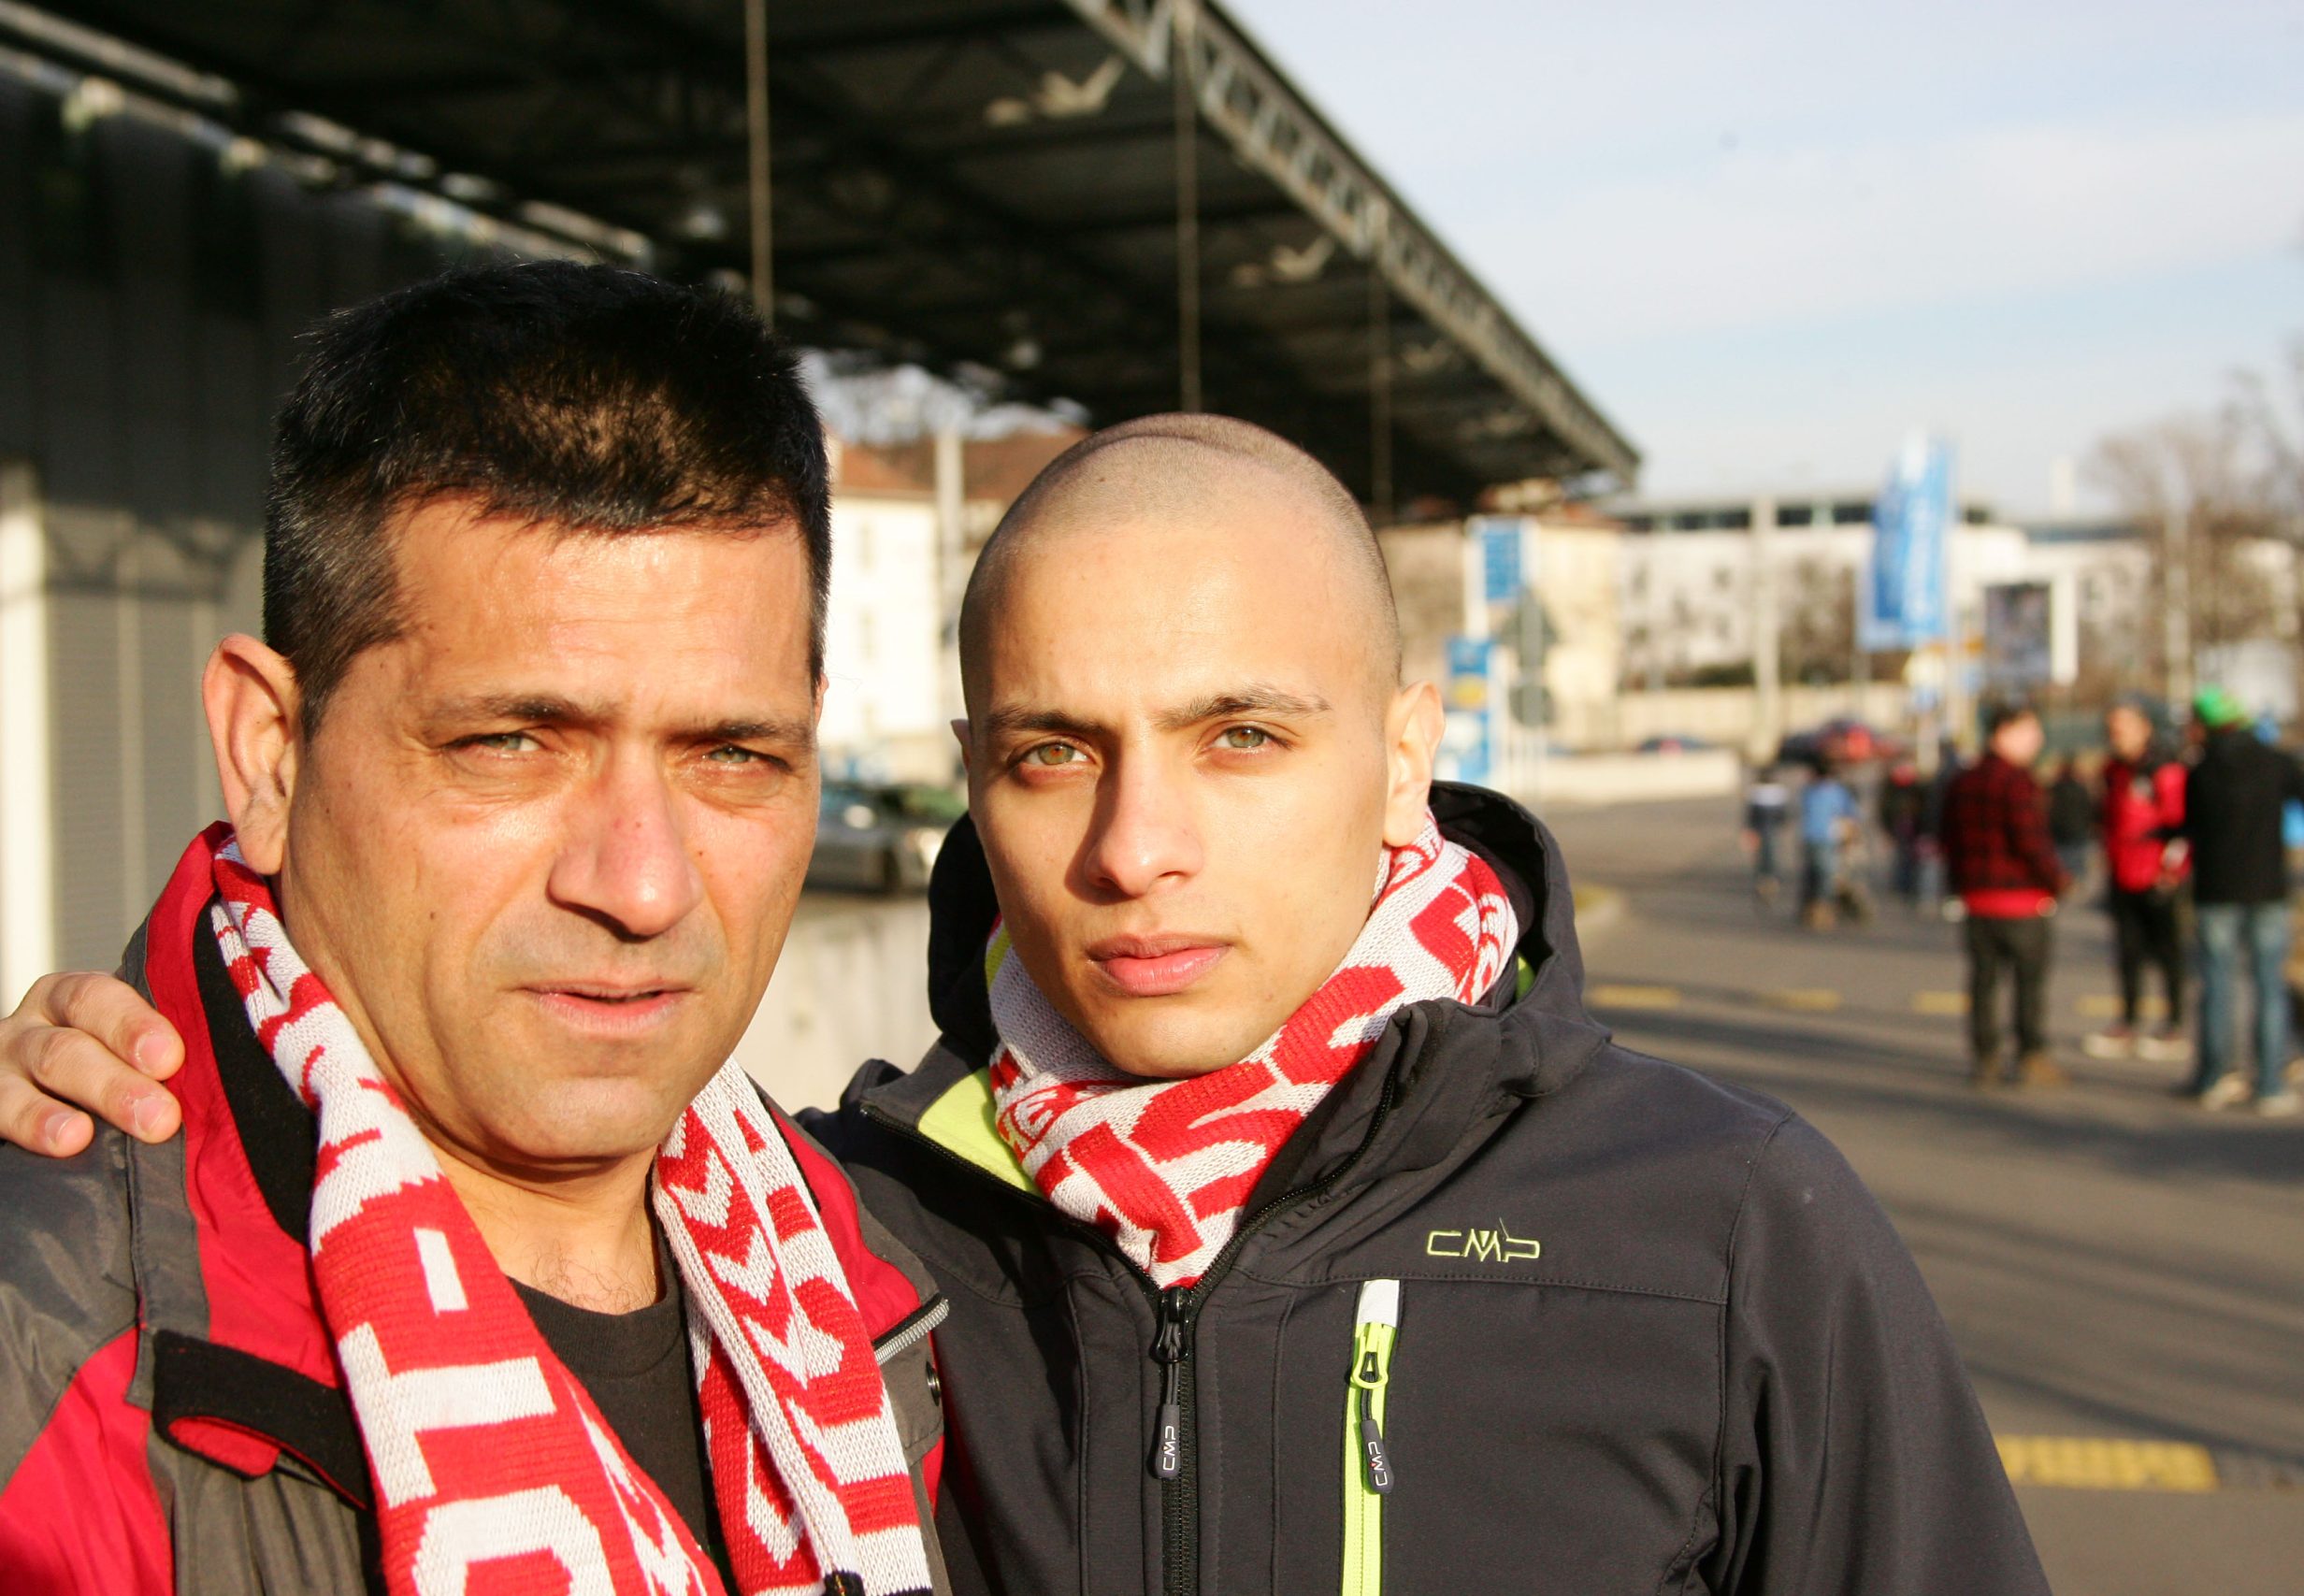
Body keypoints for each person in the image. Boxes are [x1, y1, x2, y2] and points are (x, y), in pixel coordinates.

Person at [2, 416, 2054, 1593]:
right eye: (1053, 750)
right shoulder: (826, 1243)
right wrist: (106, 1053)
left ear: (1406, 744)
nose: (1134, 844)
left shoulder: (1714, 1225)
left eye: (1240, 734)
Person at [0, 266, 949, 1595]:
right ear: (271, 754)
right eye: (511, 742)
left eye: (731, 753)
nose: (642, 883)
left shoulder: (882, 1287)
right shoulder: (49, 1376)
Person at [2180, 687, 2304, 1114]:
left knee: (2217, 983)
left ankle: (2215, 1077)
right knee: (2269, 985)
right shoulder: (2277, 762)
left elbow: (2189, 827)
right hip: (2268, 888)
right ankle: (2269, 1084)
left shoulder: (2201, 771)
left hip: (2215, 889)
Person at [1939, 704, 2071, 1088]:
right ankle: (2030, 1055)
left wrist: (1958, 886)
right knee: (2028, 985)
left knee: (1983, 982)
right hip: (2022, 901)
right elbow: (2032, 843)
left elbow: (1948, 840)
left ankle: (1986, 1057)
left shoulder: (1962, 781)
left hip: (1976, 899)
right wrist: (2058, 880)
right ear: (2005, 731)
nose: (2038, 741)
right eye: (2030, 732)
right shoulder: (2017, 782)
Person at [2084, 700, 2188, 1062]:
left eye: (2124, 727)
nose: (2117, 735)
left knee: (2168, 951)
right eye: (2111, 729)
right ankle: (2127, 1021)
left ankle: (2174, 1024)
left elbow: (2180, 825)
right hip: (2121, 873)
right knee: (2127, 951)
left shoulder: (2164, 769)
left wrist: (2171, 871)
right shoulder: (2112, 771)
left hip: (2157, 875)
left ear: (2145, 727)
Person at [1796, 753, 1863, 930]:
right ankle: (1819, 909)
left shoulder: (1811, 791)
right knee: (1823, 876)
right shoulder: (1835, 791)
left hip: (1815, 838)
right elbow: (1851, 815)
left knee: (1816, 875)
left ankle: (1816, 909)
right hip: (1823, 838)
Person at [1876, 756, 1930, 909]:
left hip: (1914, 827)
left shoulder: (1916, 785)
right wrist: (1886, 829)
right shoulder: (1891, 786)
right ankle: (1902, 886)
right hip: (1900, 827)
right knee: (1903, 858)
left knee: (1913, 859)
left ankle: (1910, 887)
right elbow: (1884, 809)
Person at [2045, 755, 2097, 893]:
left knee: (2063, 861)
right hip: (2078, 829)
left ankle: (2068, 885)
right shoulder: (2080, 788)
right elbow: (2089, 808)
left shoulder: (2053, 789)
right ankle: (2077, 887)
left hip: (2059, 830)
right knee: (2077, 862)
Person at [1740, 763, 1792, 902]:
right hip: (1772, 831)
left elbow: (1750, 816)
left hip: (1761, 830)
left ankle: (1763, 882)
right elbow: (1783, 816)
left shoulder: (1755, 792)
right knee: (1772, 857)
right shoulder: (1779, 792)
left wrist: (1748, 831)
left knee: (1762, 858)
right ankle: (1771, 882)